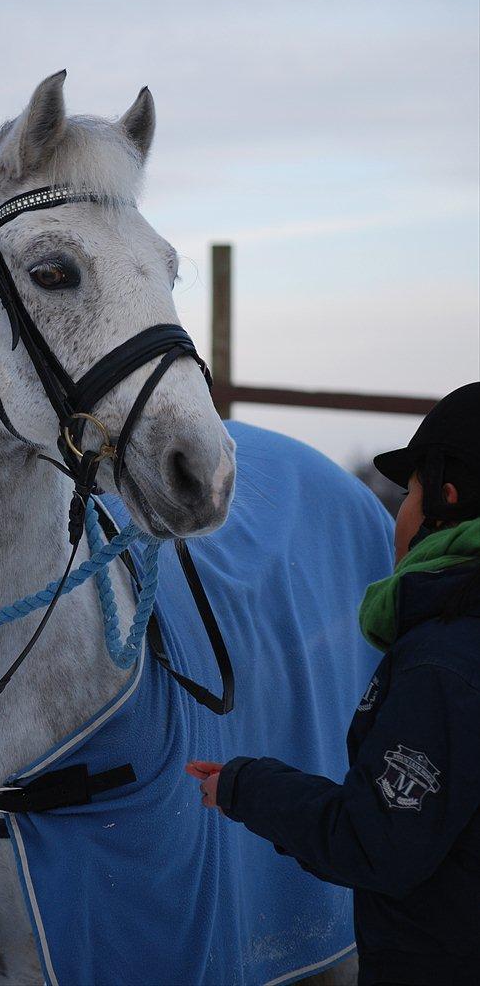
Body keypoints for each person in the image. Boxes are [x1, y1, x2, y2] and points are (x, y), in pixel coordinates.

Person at [187, 382, 480, 986]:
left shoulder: (444, 662)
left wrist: (245, 786)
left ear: (445, 500)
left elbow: (377, 842)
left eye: (410, 494)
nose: (399, 517)